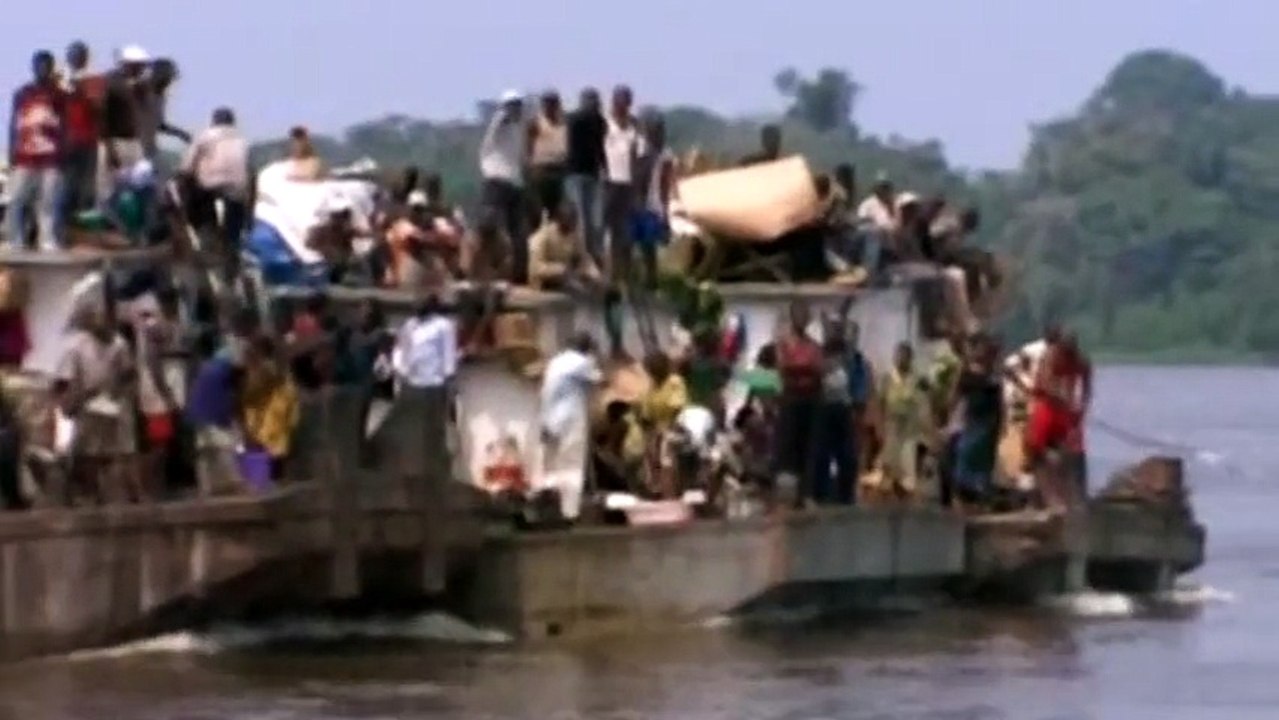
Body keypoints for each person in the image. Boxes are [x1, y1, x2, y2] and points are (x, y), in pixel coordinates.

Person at [55, 299, 140, 503]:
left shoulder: (119, 344)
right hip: (87, 403)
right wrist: (70, 402)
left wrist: (120, 393)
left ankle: (130, 494)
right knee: (88, 453)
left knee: (121, 452)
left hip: (113, 402)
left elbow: (129, 374)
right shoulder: (77, 347)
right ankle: (91, 493)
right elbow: (66, 380)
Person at [538, 332, 604, 520]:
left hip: (549, 419)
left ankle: (549, 509)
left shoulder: (555, 362)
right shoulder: (582, 362)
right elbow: (601, 380)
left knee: (551, 466)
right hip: (570, 420)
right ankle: (569, 513)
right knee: (572, 466)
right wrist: (596, 357)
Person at [7, 50, 67, 251]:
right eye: (39, 65)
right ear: (33, 67)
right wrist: (11, 149)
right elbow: (13, 122)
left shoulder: (59, 95)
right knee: (16, 199)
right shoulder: (22, 93)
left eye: (46, 66)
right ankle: (16, 239)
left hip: (50, 155)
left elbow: (65, 124)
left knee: (47, 201)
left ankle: (47, 239)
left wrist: (64, 149)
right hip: (25, 154)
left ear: (51, 68)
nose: (42, 70)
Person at [181, 107, 249, 281]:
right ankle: (233, 245)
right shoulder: (242, 139)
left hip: (209, 189)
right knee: (235, 220)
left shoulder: (204, 136)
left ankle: (202, 231)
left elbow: (187, 167)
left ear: (213, 121)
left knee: (192, 196)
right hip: (236, 190)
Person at [1024, 331, 1092, 504]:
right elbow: (1044, 383)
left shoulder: (1080, 362)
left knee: (1071, 446)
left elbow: (1087, 389)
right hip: (1048, 405)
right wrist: (1059, 396)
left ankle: (1068, 490)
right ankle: (1041, 483)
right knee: (1036, 443)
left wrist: (1081, 409)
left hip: (1065, 410)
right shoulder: (1050, 356)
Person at [774, 301, 824, 506]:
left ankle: (806, 493)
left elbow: (818, 370)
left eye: (805, 315)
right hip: (791, 400)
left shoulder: (814, 345)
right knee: (788, 447)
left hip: (810, 401)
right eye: (798, 314)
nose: (801, 319)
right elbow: (783, 369)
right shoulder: (784, 344)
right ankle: (789, 494)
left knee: (809, 447)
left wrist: (799, 370)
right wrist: (804, 370)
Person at [949, 334, 1004, 506]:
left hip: (990, 423)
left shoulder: (994, 373)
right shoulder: (966, 371)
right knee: (966, 456)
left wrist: (1002, 421)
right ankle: (962, 497)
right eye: (980, 349)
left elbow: (999, 400)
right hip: (973, 421)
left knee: (984, 462)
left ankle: (978, 498)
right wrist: (947, 417)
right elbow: (955, 396)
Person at [479, 90, 527, 283]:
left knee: (517, 231)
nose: (517, 109)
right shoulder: (500, 122)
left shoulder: (517, 130)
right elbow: (502, 118)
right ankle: (488, 270)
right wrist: (507, 110)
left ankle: (516, 274)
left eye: (519, 105)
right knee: (493, 227)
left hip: (513, 182)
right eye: (513, 105)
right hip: (496, 180)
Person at [875, 342, 932, 501]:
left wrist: (927, 431)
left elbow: (927, 402)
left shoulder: (918, 379)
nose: (900, 360)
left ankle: (906, 498)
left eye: (904, 356)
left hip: (910, 429)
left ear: (910, 358)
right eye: (898, 356)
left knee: (908, 470)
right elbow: (880, 403)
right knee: (889, 467)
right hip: (892, 426)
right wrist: (879, 426)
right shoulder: (887, 378)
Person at [602, 85, 643, 283]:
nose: (622, 106)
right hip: (608, 182)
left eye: (626, 102)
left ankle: (624, 277)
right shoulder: (604, 123)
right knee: (606, 231)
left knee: (625, 233)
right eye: (619, 101)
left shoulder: (634, 126)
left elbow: (636, 156)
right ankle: (607, 276)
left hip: (627, 184)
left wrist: (636, 187)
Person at [632, 111, 676, 287]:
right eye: (653, 129)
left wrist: (665, 211)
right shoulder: (640, 149)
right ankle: (638, 279)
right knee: (637, 242)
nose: (657, 133)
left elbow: (665, 183)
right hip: (637, 202)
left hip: (653, 203)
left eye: (659, 129)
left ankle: (651, 279)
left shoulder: (665, 154)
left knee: (649, 244)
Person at [812, 334, 856, 505]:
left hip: (842, 411)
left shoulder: (846, 368)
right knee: (823, 454)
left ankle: (845, 493)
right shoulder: (822, 368)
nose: (836, 359)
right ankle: (821, 493)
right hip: (826, 411)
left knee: (846, 455)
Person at [62, 41, 104, 217]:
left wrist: (82, 90)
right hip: (65, 139)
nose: (75, 58)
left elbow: (99, 108)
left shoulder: (93, 79)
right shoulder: (60, 80)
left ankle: (83, 220)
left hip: (88, 138)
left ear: (85, 58)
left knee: (87, 183)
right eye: (72, 55)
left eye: (78, 55)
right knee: (66, 183)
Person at [565, 88, 607, 267]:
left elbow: (601, 147)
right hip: (576, 173)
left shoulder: (599, 122)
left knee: (594, 219)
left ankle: (593, 254)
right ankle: (582, 255)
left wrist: (605, 169)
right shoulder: (575, 119)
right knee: (581, 217)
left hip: (593, 173)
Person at [638, 351, 689, 497]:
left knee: (666, 454)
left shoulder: (675, 382)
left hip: (676, 427)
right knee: (650, 454)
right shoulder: (652, 386)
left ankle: (670, 494)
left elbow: (677, 408)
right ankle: (656, 489)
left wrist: (665, 430)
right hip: (657, 428)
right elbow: (647, 414)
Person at [528, 201, 592, 291]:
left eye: (574, 222)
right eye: (568, 222)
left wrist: (591, 272)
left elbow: (583, 257)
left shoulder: (574, 233)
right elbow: (535, 269)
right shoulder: (542, 236)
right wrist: (559, 270)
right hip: (541, 286)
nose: (572, 226)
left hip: (563, 282)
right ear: (559, 220)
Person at [526, 90, 568, 227]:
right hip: (541, 171)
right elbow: (528, 146)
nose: (551, 107)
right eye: (548, 104)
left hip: (559, 170)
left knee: (556, 212)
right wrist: (530, 169)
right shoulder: (536, 123)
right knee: (537, 211)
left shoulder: (563, 124)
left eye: (554, 104)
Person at [592, 400, 645, 494]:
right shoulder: (629, 423)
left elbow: (611, 446)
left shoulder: (619, 424)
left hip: (616, 459)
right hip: (628, 457)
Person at [306, 200, 359, 284]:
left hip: (340, 267)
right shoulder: (318, 230)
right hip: (323, 266)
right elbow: (309, 245)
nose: (343, 221)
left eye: (344, 217)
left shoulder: (347, 232)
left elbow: (364, 234)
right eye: (338, 216)